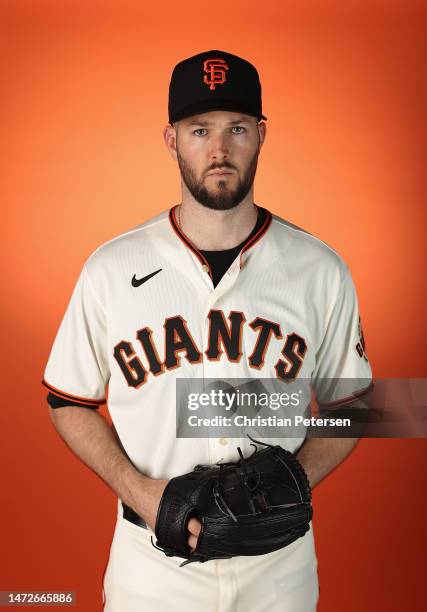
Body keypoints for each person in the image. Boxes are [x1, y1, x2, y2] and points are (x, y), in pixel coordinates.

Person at [43, 50, 372, 611]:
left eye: (236, 129)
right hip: (151, 569)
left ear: (261, 135)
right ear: (172, 140)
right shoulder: (110, 268)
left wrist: (294, 480)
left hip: (279, 571)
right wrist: (141, 494)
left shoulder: (320, 269)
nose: (219, 150)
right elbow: (66, 399)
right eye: (200, 130)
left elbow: (360, 404)